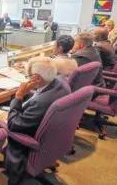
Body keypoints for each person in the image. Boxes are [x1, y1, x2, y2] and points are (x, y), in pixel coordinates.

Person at [6, 57, 71, 185]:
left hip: (26, 131)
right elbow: (39, 96)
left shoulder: (40, 102)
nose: (27, 78)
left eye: (29, 76)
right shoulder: (61, 81)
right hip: (53, 136)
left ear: (37, 78)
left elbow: (13, 124)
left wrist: (18, 96)